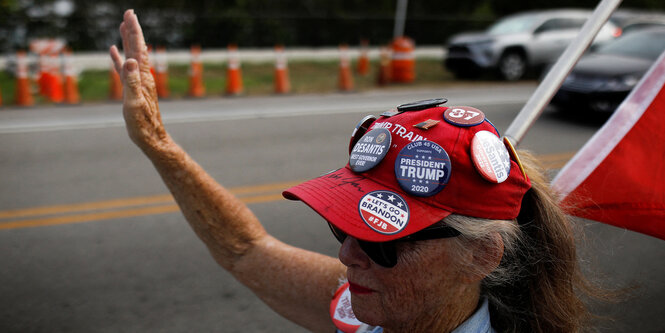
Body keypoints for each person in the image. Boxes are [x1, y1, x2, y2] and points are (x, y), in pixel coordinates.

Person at [110, 9, 605, 333]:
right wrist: (158, 144)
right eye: (345, 223)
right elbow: (246, 250)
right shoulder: (379, 306)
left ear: (480, 255)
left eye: (384, 238)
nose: (347, 254)